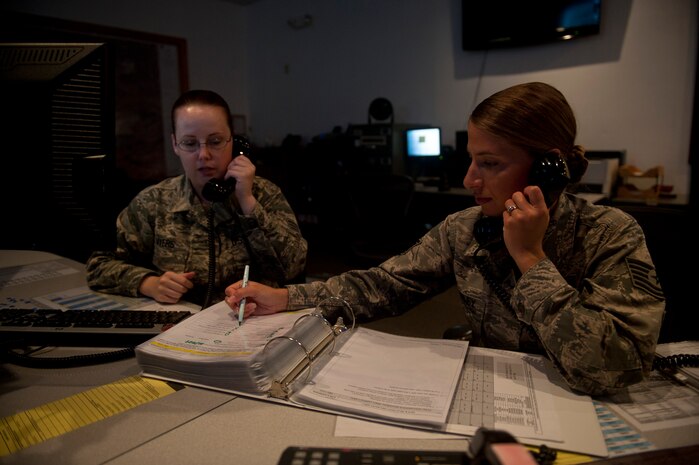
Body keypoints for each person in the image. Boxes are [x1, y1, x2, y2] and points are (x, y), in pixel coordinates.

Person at [224, 82, 665, 396]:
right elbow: (381, 285)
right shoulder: (466, 229)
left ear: (546, 168)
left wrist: (530, 258)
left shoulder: (610, 233)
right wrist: (286, 298)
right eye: (471, 160)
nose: (470, 179)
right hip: (497, 400)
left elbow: (614, 367)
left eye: (489, 163)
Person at [86, 89, 307, 308]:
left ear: (235, 142)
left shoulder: (264, 194)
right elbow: (99, 265)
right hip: (177, 329)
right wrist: (149, 283)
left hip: (252, 326)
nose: (203, 155)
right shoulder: (154, 202)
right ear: (175, 144)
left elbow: (294, 268)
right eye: (190, 143)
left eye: (216, 141)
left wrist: (247, 202)